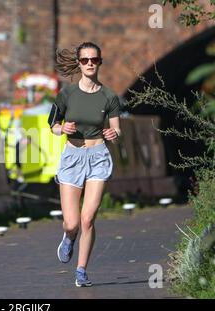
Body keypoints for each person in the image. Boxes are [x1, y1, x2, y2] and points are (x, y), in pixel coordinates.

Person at [48, 42, 121, 287]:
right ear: (79, 63)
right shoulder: (66, 94)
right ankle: (69, 237)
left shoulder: (109, 96)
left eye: (94, 59)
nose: (90, 63)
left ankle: (81, 270)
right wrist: (62, 128)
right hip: (72, 157)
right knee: (72, 223)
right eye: (85, 60)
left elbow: (116, 128)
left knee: (88, 218)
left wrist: (113, 134)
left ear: (100, 62)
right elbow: (53, 124)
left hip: (98, 155)